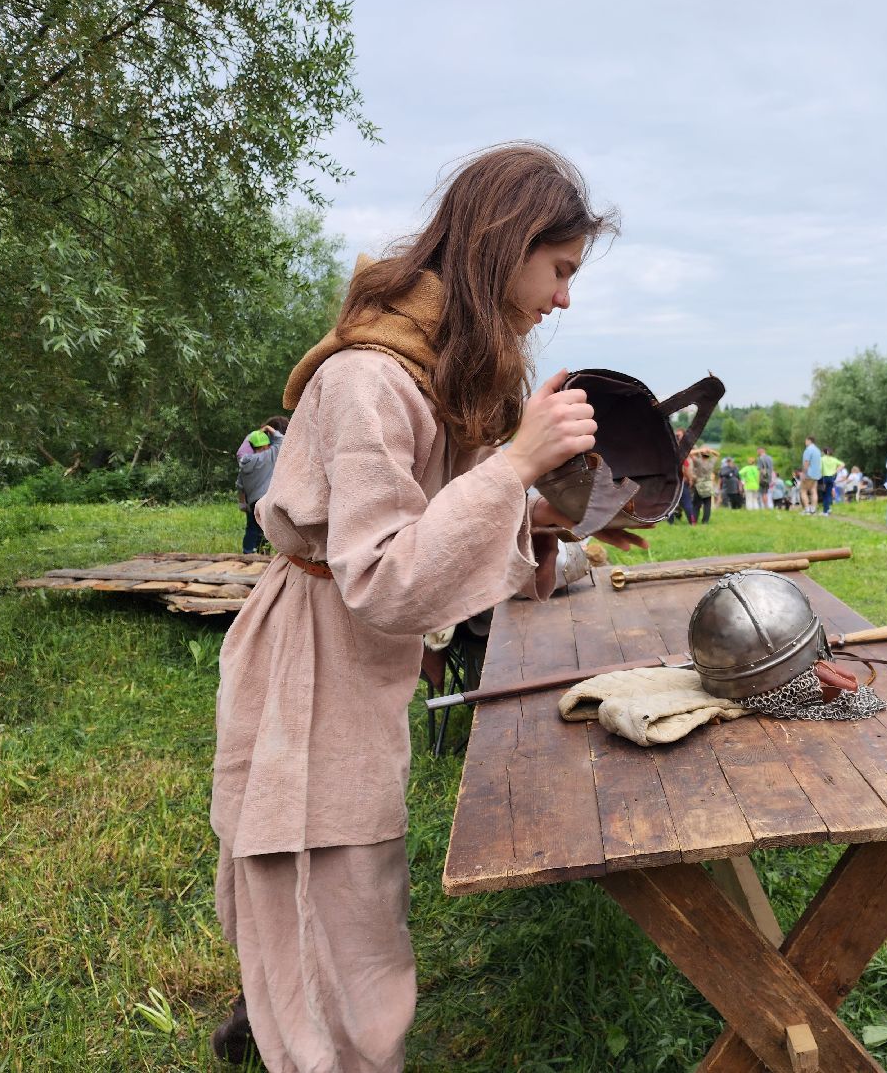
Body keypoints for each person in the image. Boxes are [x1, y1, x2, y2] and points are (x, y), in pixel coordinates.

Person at [209, 144, 646, 1071]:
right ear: (506, 246)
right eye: (559, 269)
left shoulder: (430, 369)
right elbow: (383, 580)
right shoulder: (369, 378)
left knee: (344, 881)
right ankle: (315, 1043)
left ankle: (285, 1014)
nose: (563, 298)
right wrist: (516, 467)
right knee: (330, 877)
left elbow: (424, 526)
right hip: (313, 661)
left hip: (353, 663)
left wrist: (538, 521)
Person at [235, 426, 284, 553]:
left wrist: (242, 503)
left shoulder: (245, 462)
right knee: (264, 529)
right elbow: (281, 440)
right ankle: (263, 553)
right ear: (265, 445)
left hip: (251, 502)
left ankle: (247, 552)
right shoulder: (269, 455)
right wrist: (269, 428)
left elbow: (239, 485)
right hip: (265, 500)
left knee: (251, 527)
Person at [688, 445, 718, 525]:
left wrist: (700, 450)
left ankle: (694, 521)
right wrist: (710, 450)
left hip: (699, 484)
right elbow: (717, 454)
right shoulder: (711, 462)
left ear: (701, 454)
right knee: (707, 504)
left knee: (696, 505)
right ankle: (705, 521)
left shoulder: (698, 462)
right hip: (708, 484)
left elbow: (690, 453)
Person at [800, 436, 822, 514]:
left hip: (809, 473)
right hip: (816, 474)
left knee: (803, 490)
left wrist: (803, 473)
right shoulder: (818, 450)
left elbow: (806, 462)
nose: (805, 442)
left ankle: (807, 509)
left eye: (806, 441)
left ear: (809, 441)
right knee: (813, 491)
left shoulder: (808, 450)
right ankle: (813, 509)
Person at [819, 448, 842, 514]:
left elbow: (819, 468)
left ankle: (825, 511)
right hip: (832, 477)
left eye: (822, 452)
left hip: (824, 478)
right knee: (828, 493)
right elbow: (842, 464)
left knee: (824, 494)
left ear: (824, 452)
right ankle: (828, 509)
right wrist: (835, 471)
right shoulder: (834, 459)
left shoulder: (822, 459)